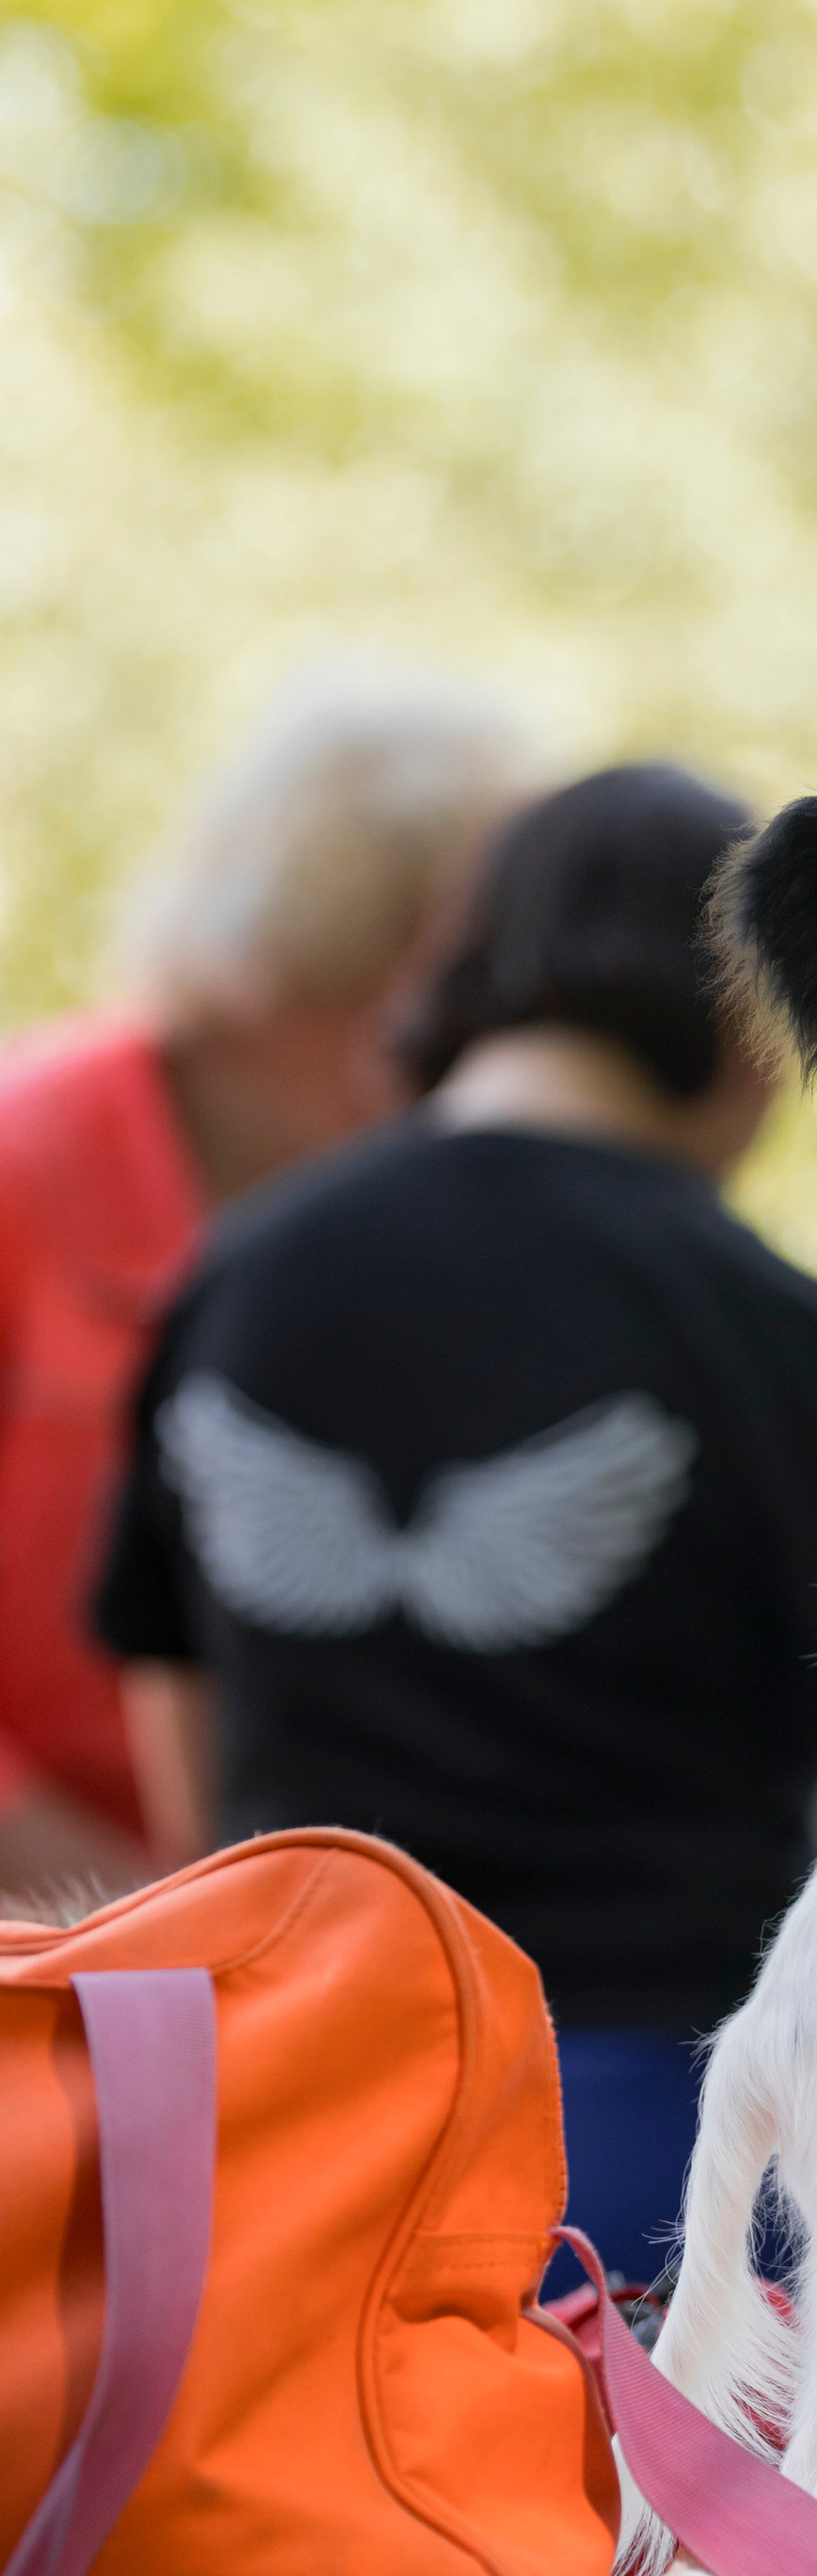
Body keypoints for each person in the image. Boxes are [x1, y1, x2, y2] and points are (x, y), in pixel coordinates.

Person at [96, 764, 817, 2311]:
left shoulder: (241, 1274)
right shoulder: (785, 1340)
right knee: (750, 2553)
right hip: (650, 2154)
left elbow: (170, 1679)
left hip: (276, 2119)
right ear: (745, 1015)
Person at [0, 669, 530, 1902]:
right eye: (418, 994)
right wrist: (105, 1898)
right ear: (292, 963)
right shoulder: (28, 1164)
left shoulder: (444, 1217)